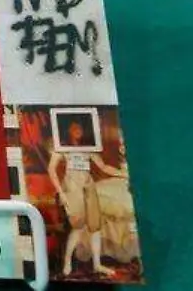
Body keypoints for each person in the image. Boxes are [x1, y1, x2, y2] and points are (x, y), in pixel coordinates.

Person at [47, 119, 129, 278]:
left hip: (89, 186)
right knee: (78, 226)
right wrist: (61, 193)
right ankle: (67, 261)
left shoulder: (88, 147)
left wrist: (124, 174)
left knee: (95, 227)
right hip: (72, 188)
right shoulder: (62, 147)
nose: (78, 131)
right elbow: (51, 170)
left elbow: (103, 167)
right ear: (69, 130)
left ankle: (97, 264)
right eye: (74, 128)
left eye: (80, 128)